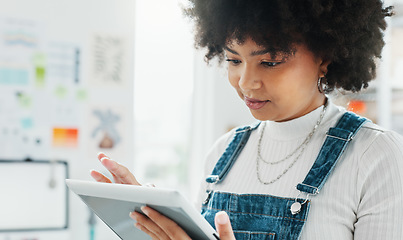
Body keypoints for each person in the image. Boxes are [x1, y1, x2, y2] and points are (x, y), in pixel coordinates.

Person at [90, 0, 403, 239]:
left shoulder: (376, 156)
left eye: (268, 62)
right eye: (233, 60)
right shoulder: (224, 153)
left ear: (326, 58)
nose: (245, 82)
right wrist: (154, 218)